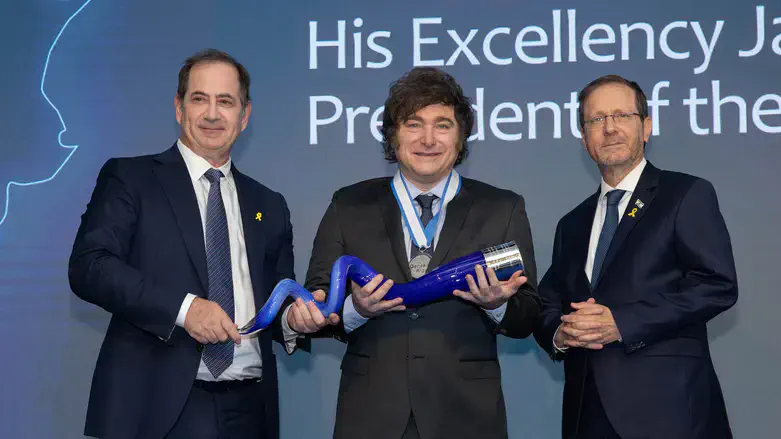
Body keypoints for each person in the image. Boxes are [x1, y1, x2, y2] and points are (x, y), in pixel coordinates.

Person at [69, 48, 337, 439]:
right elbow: (90, 266)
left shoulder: (269, 204)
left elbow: (275, 295)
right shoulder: (131, 178)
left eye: (225, 102)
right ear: (179, 108)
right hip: (156, 408)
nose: (212, 114)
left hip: (250, 409)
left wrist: (294, 320)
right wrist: (185, 309)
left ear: (244, 115)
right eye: (200, 99)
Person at [305, 66, 540, 439]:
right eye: (413, 124)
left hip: (466, 418)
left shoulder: (502, 208)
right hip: (371, 417)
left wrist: (498, 305)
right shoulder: (348, 205)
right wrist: (355, 310)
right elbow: (315, 305)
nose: (428, 139)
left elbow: (528, 314)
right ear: (393, 135)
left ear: (460, 136)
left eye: (442, 125)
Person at [533, 74, 737, 439]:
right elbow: (547, 302)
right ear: (584, 138)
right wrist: (560, 334)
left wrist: (622, 322)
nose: (609, 128)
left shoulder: (685, 194)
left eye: (622, 116)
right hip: (587, 414)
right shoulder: (572, 223)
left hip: (671, 412)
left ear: (646, 127)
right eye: (596, 119)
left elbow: (716, 285)